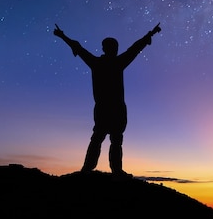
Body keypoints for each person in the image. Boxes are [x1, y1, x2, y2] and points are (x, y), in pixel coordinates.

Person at [53, 23, 162, 177]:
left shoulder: (100, 63)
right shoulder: (114, 62)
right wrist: (149, 35)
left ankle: (95, 169)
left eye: (115, 47)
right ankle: (101, 169)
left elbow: (78, 47)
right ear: (106, 48)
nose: (115, 49)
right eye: (113, 47)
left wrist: (149, 35)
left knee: (106, 139)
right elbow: (134, 48)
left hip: (109, 109)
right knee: (105, 139)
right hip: (112, 108)